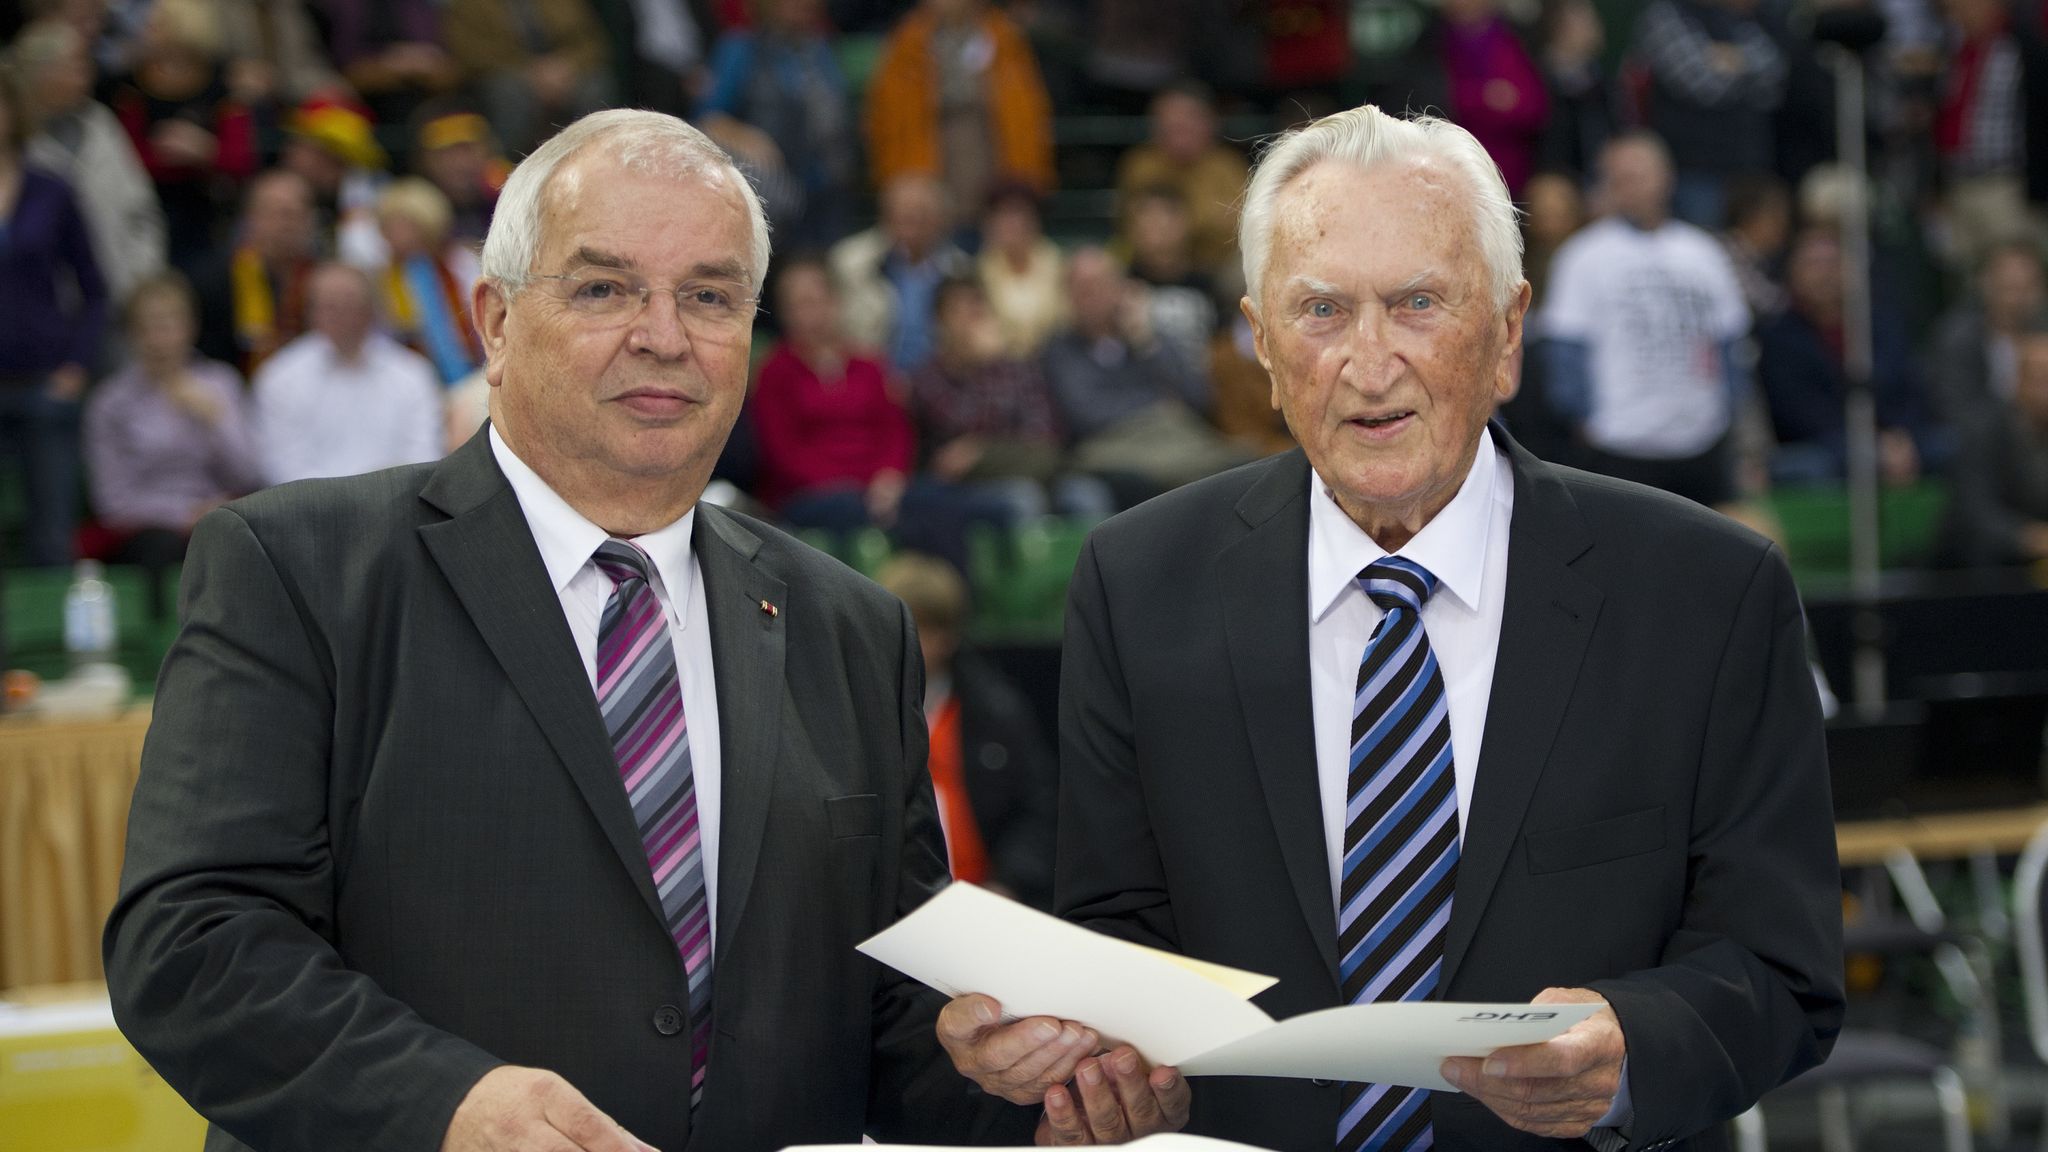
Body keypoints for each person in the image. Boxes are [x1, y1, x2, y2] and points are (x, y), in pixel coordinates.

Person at [105, 108, 1178, 1152]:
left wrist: (1037, 1089)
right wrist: (441, 1107)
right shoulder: (298, 569)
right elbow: (192, 944)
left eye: (708, 296)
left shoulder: (853, 629)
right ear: (495, 320)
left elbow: (879, 1030)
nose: (662, 336)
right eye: (604, 286)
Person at [987, 102, 1842, 1150]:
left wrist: (1630, 1046)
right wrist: (1112, 1072)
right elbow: (1117, 931)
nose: (1369, 359)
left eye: (1418, 302)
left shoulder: (1706, 593)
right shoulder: (1136, 582)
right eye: (1320, 311)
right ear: (1258, 344)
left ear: (1508, 332)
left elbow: (1778, 970)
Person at [1540, 133, 1752, 507]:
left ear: (1667, 176)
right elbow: (1564, 347)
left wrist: (1727, 420)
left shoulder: (1704, 252)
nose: (1631, 185)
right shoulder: (1583, 256)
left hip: (1700, 442)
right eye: (1619, 176)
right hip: (1620, 444)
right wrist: (1585, 422)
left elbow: (1731, 342)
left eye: (1640, 173)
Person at [875, 551, 1057, 909]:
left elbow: (1040, 808)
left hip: (981, 903)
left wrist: (1008, 883)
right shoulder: (860, 711)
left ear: (948, 636)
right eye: (896, 627)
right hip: (891, 906)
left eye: (921, 630)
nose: (906, 642)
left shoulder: (996, 710)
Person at [83, 272, 262, 618]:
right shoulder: (111, 401)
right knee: (167, 546)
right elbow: (112, 500)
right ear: (131, 336)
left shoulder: (220, 383)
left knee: (247, 536)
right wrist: (184, 515)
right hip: (148, 529)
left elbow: (249, 474)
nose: (157, 339)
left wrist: (216, 422)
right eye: (145, 328)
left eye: (167, 325)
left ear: (189, 328)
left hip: (219, 515)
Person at [0, 66, 106, 568]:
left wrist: (75, 366)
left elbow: (94, 288)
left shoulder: (52, 190)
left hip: (45, 383)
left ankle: (57, 645)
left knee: (51, 534)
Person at [1043, 246, 1249, 499]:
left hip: (1177, 436)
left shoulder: (1150, 337)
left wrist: (1146, 343)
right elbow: (1086, 414)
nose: (1090, 296)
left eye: (1100, 285)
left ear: (1120, 288)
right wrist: (1158, 405)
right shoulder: (1060, 350)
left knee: (1246, 462)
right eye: (1081, 288)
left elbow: (1198, 397)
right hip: (1113, 447)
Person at [1756, 228, 1937, 485]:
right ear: (1792, 273)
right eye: (1814, 265)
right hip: (1824, 444)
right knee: (1809, 467)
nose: (1825, 274)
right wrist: (1872, 446)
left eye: (1833, 263)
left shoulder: (1880, 324)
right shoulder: (1779, 337)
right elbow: (1800, 415)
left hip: (1893, 437)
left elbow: (1909, 388)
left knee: (1949, 447)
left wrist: (1900, 436)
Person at [13, 16, 166, 304]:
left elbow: (142, 210)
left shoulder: (102, 124)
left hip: (124, 299)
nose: (86, 74)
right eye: (74, 66)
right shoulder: (15, 143)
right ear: (41, 72)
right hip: (50, 309)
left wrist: (142, 276)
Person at [252, 261, 444, 484]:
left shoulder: (412, 373)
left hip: (399, 505)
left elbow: (424, 454)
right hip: (310, 510)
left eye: (352, 304)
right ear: (311, 312)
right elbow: (283, 464)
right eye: (330, 306)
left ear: (371, 310)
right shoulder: (280, 377)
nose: (343, 315)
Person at [864, 0, 1054, 215]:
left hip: (987, 143)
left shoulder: (1002, 35)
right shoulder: (909, 38)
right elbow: (887, 113)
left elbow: (1028, 107)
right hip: (931, 147)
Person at [699, 0, 856, 253]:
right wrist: (747, 136)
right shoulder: (740, 49)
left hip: (829, 190)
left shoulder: (822, 50)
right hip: (774, 195)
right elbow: (708, 119)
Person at [1631, 0, 1786, 229]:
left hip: (1748, 168)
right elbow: (1703, 82)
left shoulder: (1735, 16)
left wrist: (1726, 61)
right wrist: (1743, 66)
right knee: (1702, 247)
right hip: (1695, 171)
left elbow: (1775, 70)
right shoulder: (1666, 14)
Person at [830, 173, 971, 374]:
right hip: (870, 380)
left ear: (941, 220)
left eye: (921, 214)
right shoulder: (850, 263)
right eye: (902, 214)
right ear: (885, 216)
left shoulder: (961, 270)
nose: (911, 223)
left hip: (943, 383)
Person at [1113, 83, 1247, 280]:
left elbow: (1238, 225)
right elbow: (1131, 224)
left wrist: (1171, 226)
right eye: (1171, 125)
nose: (1179, 134)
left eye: (1187, 125)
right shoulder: (1140, 165)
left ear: (1208, 124)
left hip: (1219, 266)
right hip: (1150, 267)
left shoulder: (1229, 167)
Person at [194, 168, 320, 375]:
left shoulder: (322, 279)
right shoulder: (212, 281)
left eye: (295, 214)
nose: (286, 225)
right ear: (251, 218)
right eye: (275, 214)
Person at [1938, 329, 2048, 566]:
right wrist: (2025, 537)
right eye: (2041, 379)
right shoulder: (1984, 431)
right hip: (1980, 566)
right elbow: (1974, 509)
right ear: (2018, 381)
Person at [375, 176, 484, 384]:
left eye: (405, 225)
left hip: (468, 367)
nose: (397, 234)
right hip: (407, 376)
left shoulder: (458, 263)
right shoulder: (382, 276)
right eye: (390, 226)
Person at [1930, 239, 2048, 422]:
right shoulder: (1958, 340)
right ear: (1986, 284)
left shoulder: (2042, 335)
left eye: (2026, 288)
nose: (2016, 300)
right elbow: (1957, 412)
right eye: (2009, 288)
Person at [977, 179, 1066, 358]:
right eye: (1002, 214)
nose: (1011, 222)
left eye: (1018, 213)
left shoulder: (1057, 264)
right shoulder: (979, 271)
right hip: (999, 365)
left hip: (1053, 361)